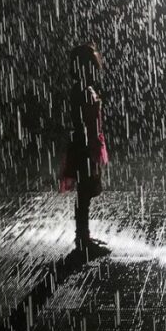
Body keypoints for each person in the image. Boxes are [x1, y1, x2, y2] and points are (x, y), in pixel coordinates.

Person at [59, 42, 111, 256]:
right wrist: (91, 147)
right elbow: (85, 121)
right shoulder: (83, 90)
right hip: (85, 145)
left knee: (85, 192)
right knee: (84, 192)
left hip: (85, 143)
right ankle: (82, 239)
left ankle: (83, 236)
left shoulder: (82, 89)